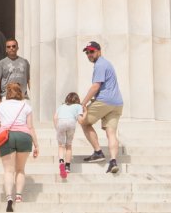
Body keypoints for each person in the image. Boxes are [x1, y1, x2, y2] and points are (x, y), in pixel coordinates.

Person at [0, 82, 38, 212]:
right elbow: (30, 127)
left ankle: (9, 198)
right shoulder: (26, 106)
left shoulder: (0, 107)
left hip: (6, 137)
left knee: (8, 170)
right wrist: (36, 145)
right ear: (20, 93)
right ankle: (18, 196)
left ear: (7, 93)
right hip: (24, 136)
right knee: (20, 169)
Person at [80, 41, 124, 174]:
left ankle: (98, 152)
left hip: (105, 101)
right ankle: (113, 161)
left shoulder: (100, 65)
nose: (89, 55)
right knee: (111, 133)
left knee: (83, 121)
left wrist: (83, 103)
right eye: (87, 52)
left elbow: (96, 86)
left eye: (92, 51)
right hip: (117, 103)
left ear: (99, 51)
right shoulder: (107, 64)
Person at [53, 92, 83, 179]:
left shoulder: (61, 107)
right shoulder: (78, 106)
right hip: (71, 123)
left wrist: (56, 128)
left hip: (61, 123)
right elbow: (80, 120)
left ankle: (61, 162)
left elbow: (55, 117)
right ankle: (67, 166)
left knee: (61, 146)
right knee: (68, 146)